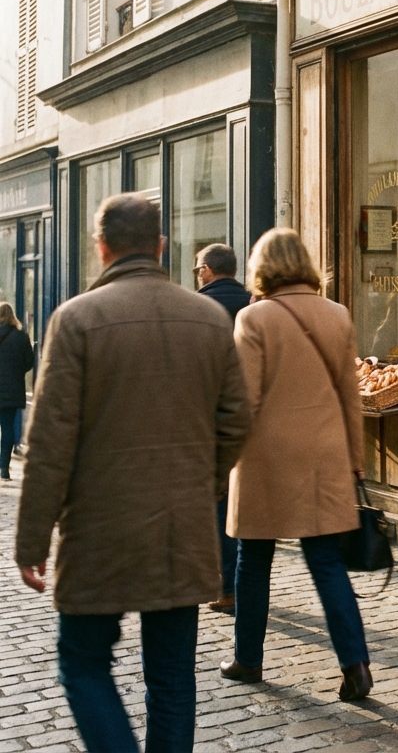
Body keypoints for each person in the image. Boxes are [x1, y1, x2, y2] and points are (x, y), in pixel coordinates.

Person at [15, 193, 252, 753]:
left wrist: (32, 539)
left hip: (101, 528)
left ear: (101, 247)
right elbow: (238, 420)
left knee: (83, 663)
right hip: (180, 526)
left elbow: (49, 444)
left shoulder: (76, 320)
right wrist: (204, 481)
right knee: (171, 677)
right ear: (162, 246)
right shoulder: (208, 318)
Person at [219, 227, 372, 701]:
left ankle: (248, 658)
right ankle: (356, 666)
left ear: (261, 269)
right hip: (324, 454)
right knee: (327, 564)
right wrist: (356, 460)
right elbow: (350, 396)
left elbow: (244, 400)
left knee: (253, 559)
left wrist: (221, 460)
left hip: (265, 458)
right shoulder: (337, 314)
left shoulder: (253, 317)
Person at [194, 243, 251, 615]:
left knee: (219, 505)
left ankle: (227, 587)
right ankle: (243, 586)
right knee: (246, 505)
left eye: (198, 268)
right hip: (251, 415)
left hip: (211, 419)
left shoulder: (199, 308)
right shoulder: (253, 304)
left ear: (206, 270)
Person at [0, 302, 34, 481]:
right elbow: (29, 361)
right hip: (11, 390)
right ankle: (3, 468)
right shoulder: (21, 337)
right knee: (7, 428)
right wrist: (17, 372)